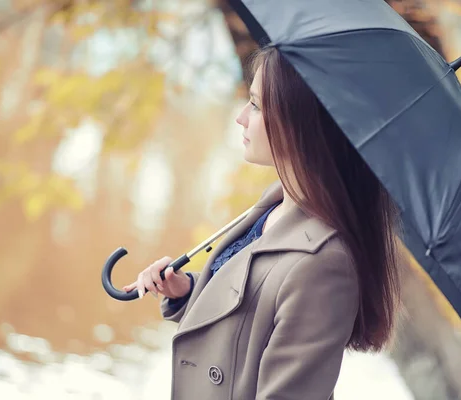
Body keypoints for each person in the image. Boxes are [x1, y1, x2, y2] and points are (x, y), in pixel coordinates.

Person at [123, 46, 400, 400]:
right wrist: (188, 291)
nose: (241, 117)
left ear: (297, 121)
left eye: (255, 105)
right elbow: (252, 317)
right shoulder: (273, 207)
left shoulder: (325, 264)